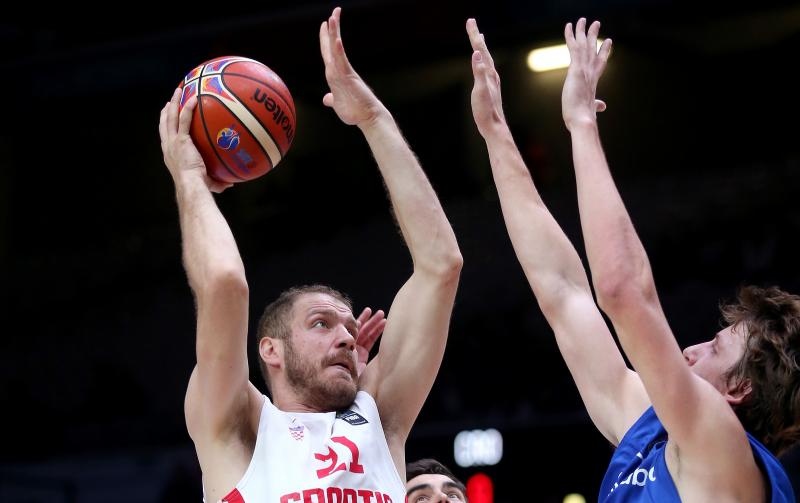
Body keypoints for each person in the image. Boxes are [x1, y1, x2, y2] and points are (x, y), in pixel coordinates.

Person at [466, 16, 798, 502]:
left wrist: (582, 123)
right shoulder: (655, 433)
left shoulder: (724, 450)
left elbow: (623, 291)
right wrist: (495, 132)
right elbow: (563, 292)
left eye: (715, 347)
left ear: (740, 389)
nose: (691, 350)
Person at [158, 6, 462, 502]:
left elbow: (440, 265)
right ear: (271, 350)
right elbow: (224, 284)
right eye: (322, 324)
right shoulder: (240, 427)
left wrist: (374, 119)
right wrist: (189, 178)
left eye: (348, 328)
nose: (345, 337)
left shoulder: (378, 421)